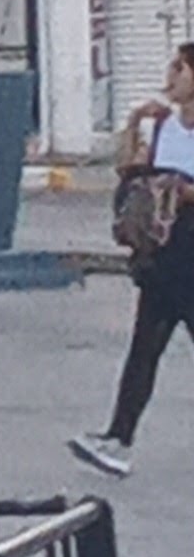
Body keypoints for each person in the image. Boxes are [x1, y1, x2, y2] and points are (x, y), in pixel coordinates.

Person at [73, 42, 194, 477]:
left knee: (148, 347)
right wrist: (133, 124)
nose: (172, 76)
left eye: (179, 68)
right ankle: (118, 439)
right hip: (163, 254)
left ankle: (119, 438)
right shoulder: (164, 125)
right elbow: (129, 169)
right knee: (144, 349)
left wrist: (181, 190)